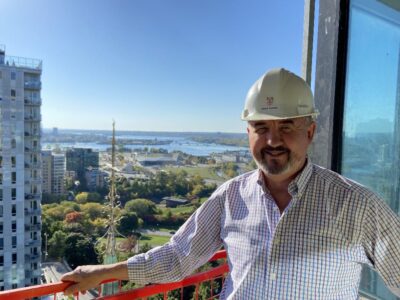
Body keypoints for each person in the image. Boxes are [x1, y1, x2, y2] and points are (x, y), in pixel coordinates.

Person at [62, 68, 400, 299]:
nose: (273, 140)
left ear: (310, 131)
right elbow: (179, 256)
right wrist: (104, 271)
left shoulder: (357, 205)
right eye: (262, 127)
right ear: (248, 132)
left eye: (287, 126)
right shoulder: (230, 196)